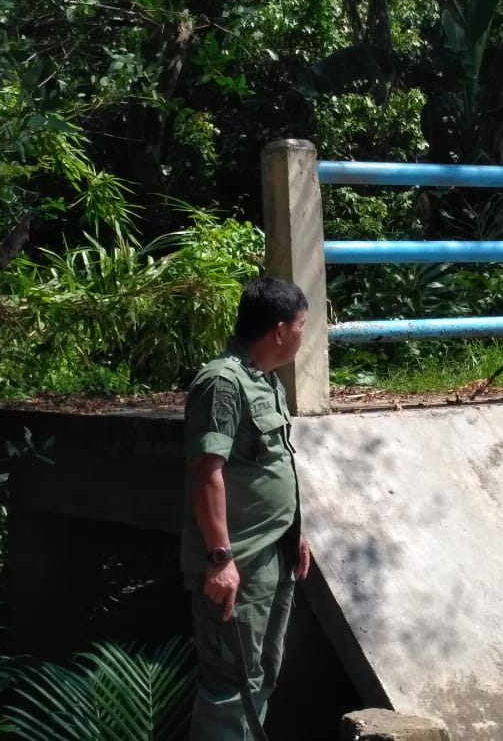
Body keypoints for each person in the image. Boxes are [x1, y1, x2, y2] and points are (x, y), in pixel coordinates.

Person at [181, 275, 311, 740]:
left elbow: (264, 468)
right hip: (235, 564)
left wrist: (293, 533)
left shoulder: (265, 381)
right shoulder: (222, 382)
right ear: (279, 330)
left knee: (258, 677)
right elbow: (206, 472)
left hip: (270, 554)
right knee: (230, 685)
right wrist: (220, 558)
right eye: (301, 324)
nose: (303, 333)